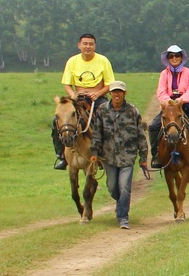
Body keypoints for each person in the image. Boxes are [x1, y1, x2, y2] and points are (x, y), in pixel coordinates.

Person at [89, 80, 151, 229]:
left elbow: (140, 135)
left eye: (120, 92)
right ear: (110, 93)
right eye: (114, 92)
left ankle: (123, 217)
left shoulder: (132, 111)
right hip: (109, 156)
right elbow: (97, 133)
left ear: (124, 94)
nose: (117, 94)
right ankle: (121, 203)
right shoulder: (102, 110)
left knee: (124, 187)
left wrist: (143, 158)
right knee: (112, 187)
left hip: (127, 157)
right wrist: (94, 152)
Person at [52, 33, 115, 169]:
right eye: (85, 44)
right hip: (77, 98)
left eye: (91, 44)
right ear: (79, 45)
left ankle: (106, 153)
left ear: (95, 46)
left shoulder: (103, 60)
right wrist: (73, 95)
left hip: (98, 97)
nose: (88, 46)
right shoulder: (72, 61)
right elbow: (67, 84)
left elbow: (110, 84)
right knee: (57, 121)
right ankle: (62, 156)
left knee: (108, 119)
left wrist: (97, 94)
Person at [147, 44, 189, 166]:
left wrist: (181, 100)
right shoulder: (164, 74)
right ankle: (156, 156)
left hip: (186, 106)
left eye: (177, 55)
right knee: (153, 127)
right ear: (168, 58)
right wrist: (170, 102)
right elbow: (161, 91)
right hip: (170, 108)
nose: (174, 58)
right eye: (171, 56)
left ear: (181, 57)